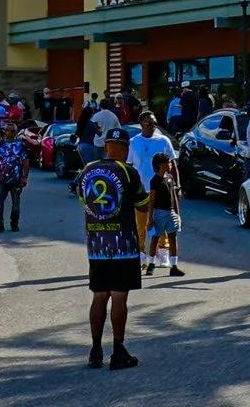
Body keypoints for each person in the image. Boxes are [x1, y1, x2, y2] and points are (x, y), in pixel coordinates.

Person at [77, 129, 147, 369]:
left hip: (96, 244)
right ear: (125, 147)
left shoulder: (87, 170)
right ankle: (118, 350)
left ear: (106, 145)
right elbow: (142, 205)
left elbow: (83, 200)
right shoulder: (129, 172)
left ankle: (95, 350)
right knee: (119, 296)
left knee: (99, 295)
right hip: (123, 245)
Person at [124, 114, 175, 269]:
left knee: (162, 222)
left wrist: (176, 186)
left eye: (155, 123)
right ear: (141, 124)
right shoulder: (134, 142)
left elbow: (172, 164)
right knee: (140, 224)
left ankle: (163, 251)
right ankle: (140, 253)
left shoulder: (163, 141)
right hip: (140, 190)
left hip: (160, 190)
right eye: (150, 123)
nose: (153, 126)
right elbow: (129, 166)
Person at [147, 150, 183, 277]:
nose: (171, 165)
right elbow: (151, 200)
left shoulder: (170, 178)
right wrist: (150, 218)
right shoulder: (155, 181)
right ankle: (150, 263)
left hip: (170, 211)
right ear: (161, 165)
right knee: (155, 237)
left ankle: (174, 266)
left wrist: (177, 214)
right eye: (168, 163)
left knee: (173, 237)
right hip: (159, 212)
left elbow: (173, 195)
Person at [0, 119, 30, 232]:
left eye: (9, 130)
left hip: (16, 179)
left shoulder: (20, 145)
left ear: (14, 132)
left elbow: (26, 161)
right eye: (5, 130)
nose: (6, 132)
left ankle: (14, 223)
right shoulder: (0, 144)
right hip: (1, 178)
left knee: (15, 204)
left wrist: (24, 177)